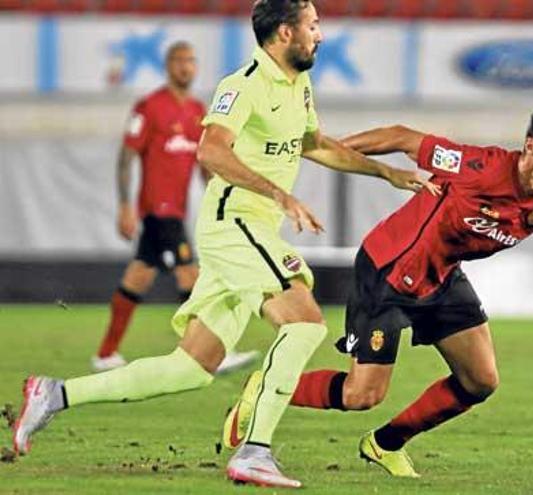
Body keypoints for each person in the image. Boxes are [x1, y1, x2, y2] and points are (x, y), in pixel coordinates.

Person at [12, 0, 435, 489]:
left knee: (189, 367)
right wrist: (277, 192)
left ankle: (55, 393)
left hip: (251, 229)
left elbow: (314, 144)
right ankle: (255, 452)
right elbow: (210, 148)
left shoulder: (298, 84)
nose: (320, 35)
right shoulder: (244, 85)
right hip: (234, 222)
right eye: (312, 26)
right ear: (283, 33)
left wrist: (386, 173)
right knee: (303, 323)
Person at [222, 98, 533, 478]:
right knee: (362, 395)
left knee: (481, 380)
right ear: (532, 146)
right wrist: (322, 152)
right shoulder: (477, 166)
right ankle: (265, 388)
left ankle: (386, 444)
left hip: (442, 276)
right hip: (388, 271)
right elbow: (401, 137)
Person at [94, 40, 258, 374]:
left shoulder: (198, 110)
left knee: (138, 277)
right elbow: (126, 157)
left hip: (176, 210)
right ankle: (213, 353)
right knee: (192, 277)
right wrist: (125, 205)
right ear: (168, 66)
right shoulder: (149, 107)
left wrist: (220, 197)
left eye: (191, 61)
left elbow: (204, 162)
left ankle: (106, 353)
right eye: (179, 60)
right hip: (158, 210)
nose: (186, 67)